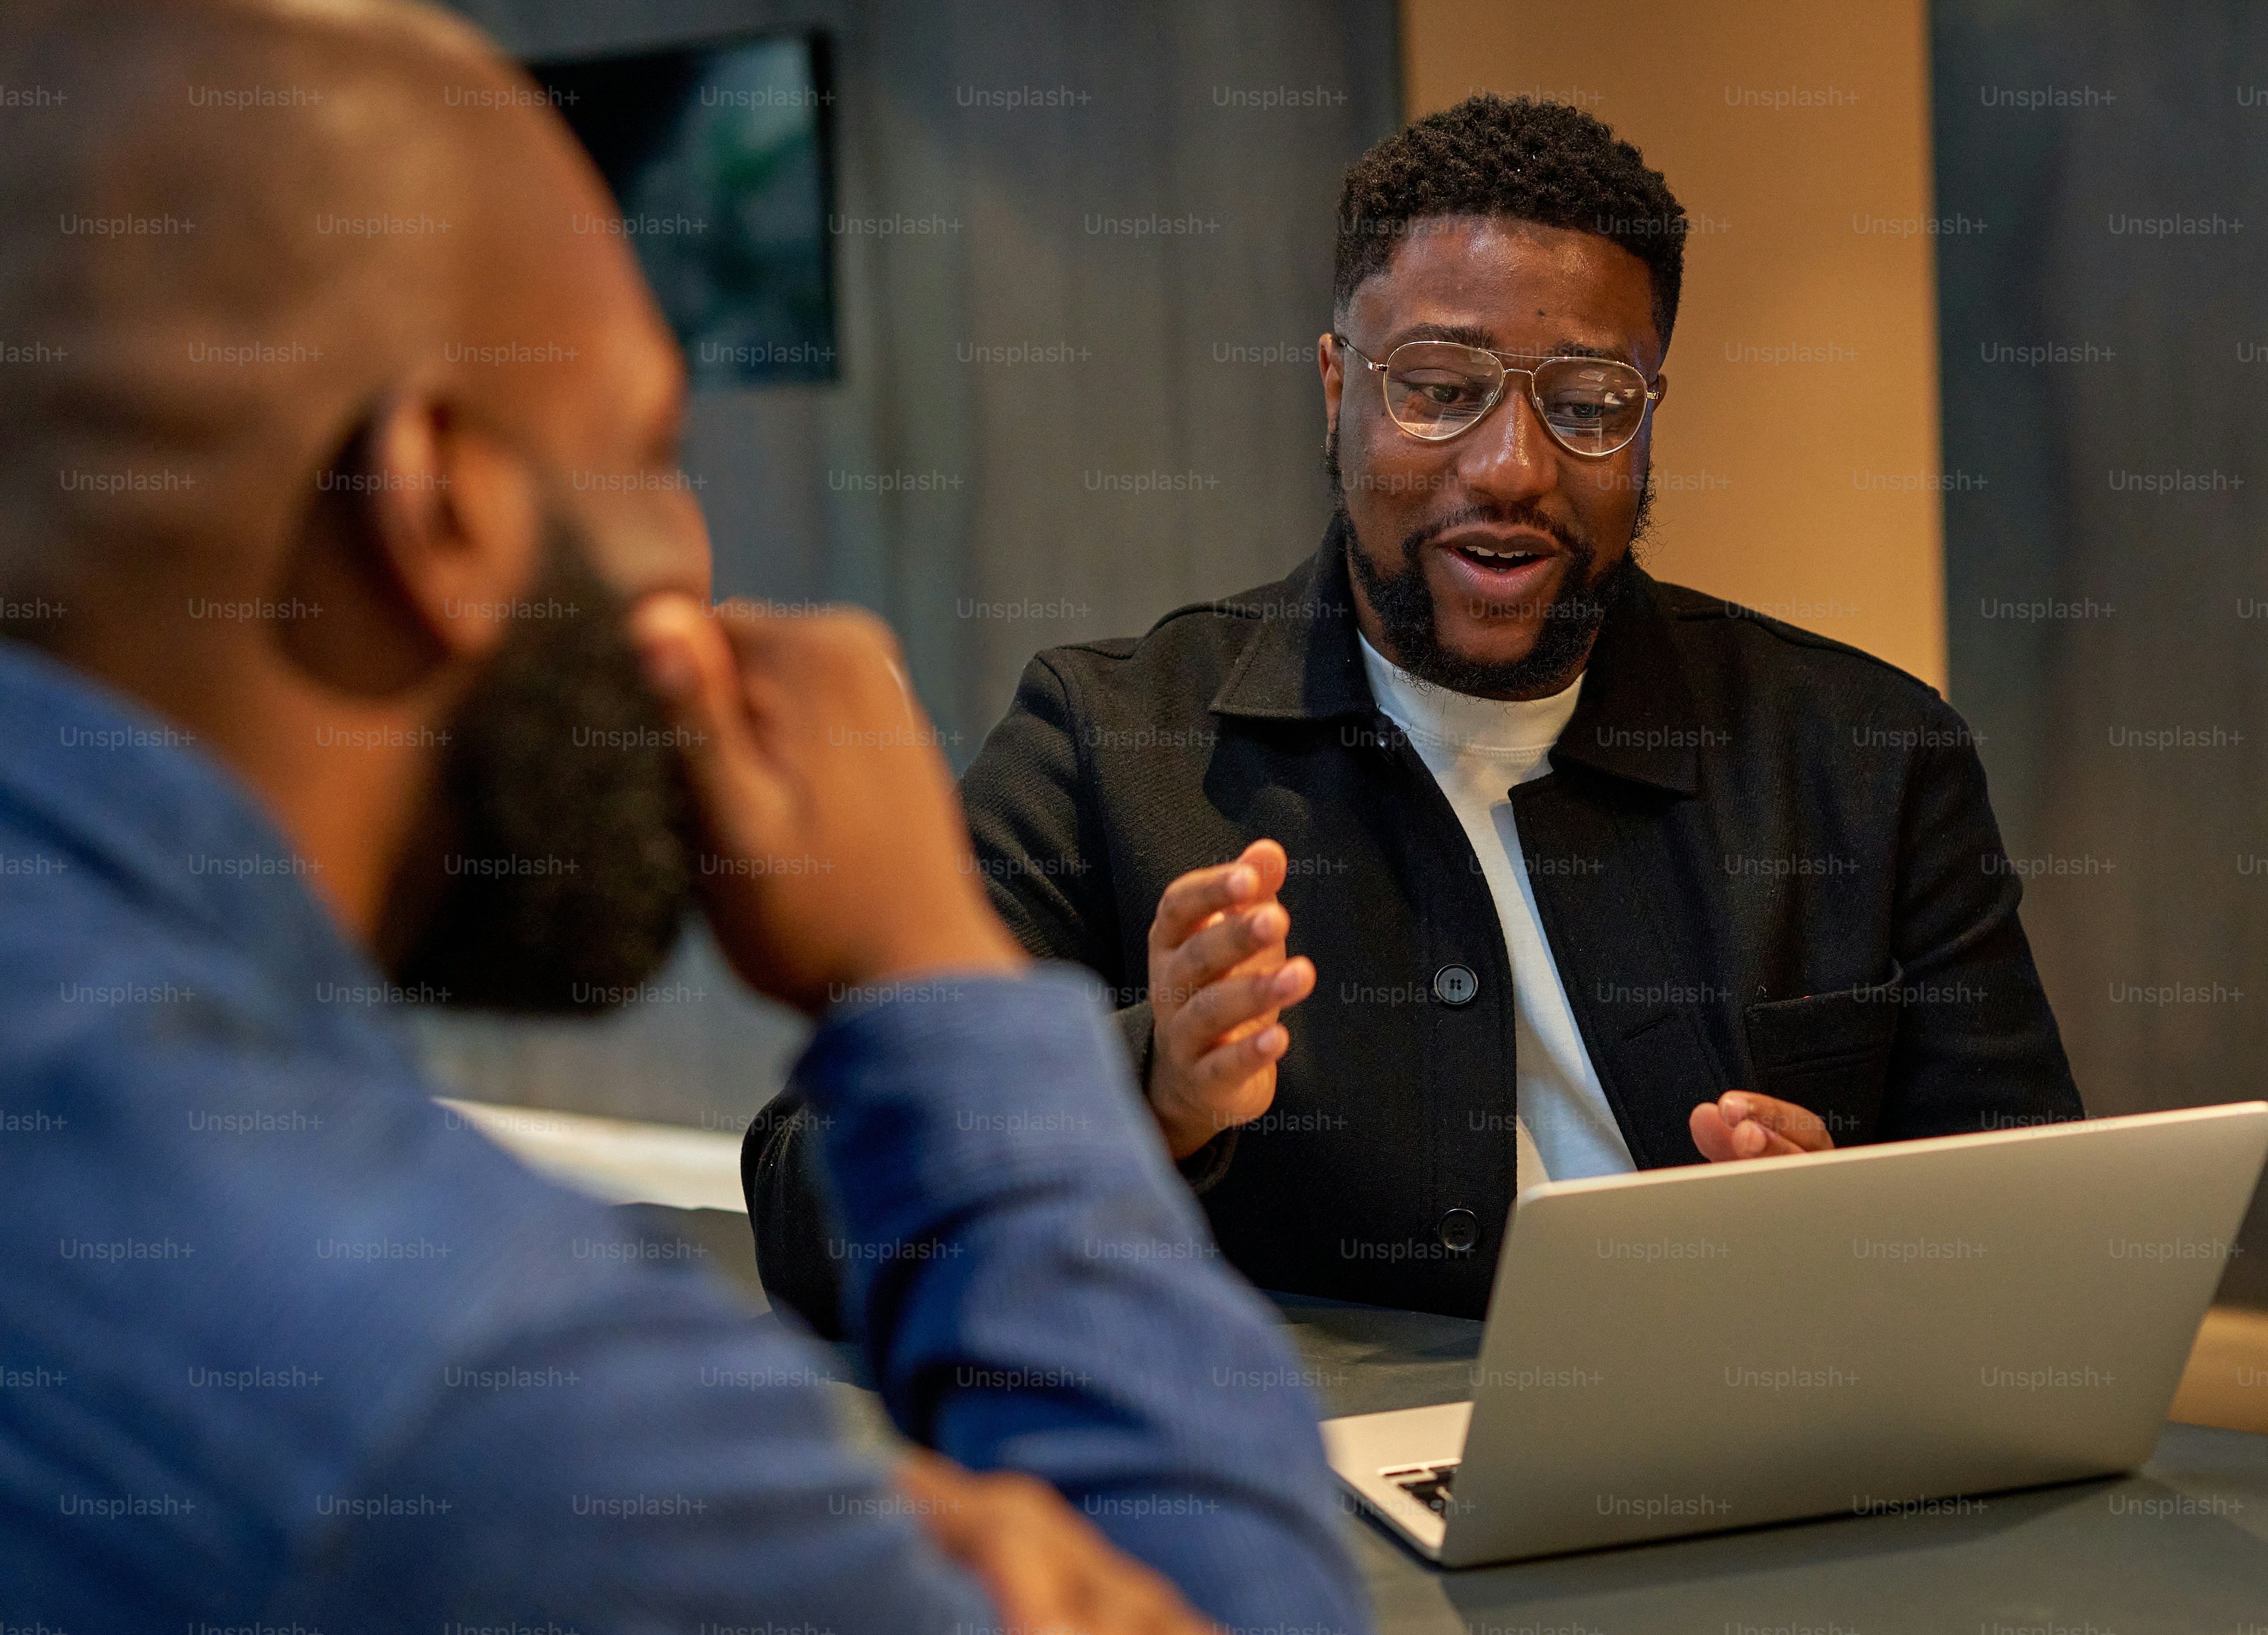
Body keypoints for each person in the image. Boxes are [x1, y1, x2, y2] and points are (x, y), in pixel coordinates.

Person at [0, 0, 1364, 1635]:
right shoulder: (476, 1389)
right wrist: (932, 970)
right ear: (436, 510)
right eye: (649, 450)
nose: (698, 567)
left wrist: (788, 1531)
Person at [751, 96, 2084, 1326]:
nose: (1510, 468)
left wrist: (1860, 1239)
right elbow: (813, 1199)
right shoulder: (1107, 743)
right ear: (1340, 391)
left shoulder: (1867, 757)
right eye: (1441, 391)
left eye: (1587, 407)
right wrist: (1148, 1089)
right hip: (1316, 1483)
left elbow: (2048, 1255)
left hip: (1753, 1448)